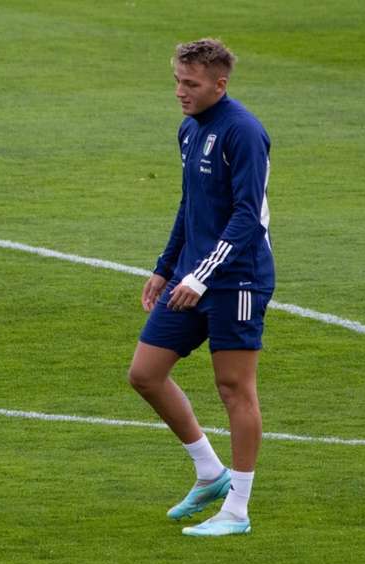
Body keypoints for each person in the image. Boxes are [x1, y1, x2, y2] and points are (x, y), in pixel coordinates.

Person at [127, 39, 274, 537]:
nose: (180, 92)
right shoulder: (189, 130)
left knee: (234, 388)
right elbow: (189, 206)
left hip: (237, 278)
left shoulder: (244, 133)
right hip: (192, 274)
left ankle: (238, 509)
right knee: (145, 373)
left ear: (220, 84)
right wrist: (165, 267)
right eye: (177, 81)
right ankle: (211, 473)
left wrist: (199, 275)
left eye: (190, 84)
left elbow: (246, 216)